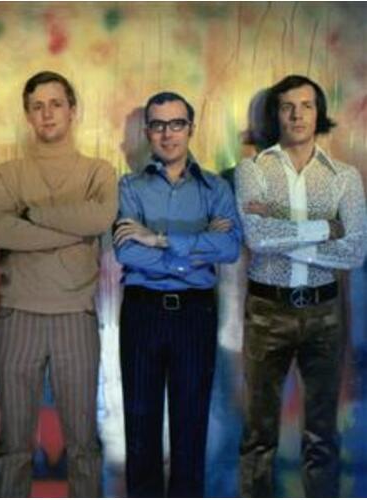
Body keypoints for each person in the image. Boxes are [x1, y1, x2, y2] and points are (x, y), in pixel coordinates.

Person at [0, 71, 117, 497]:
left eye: (56, 104)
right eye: (37, 106)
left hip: (75, 316)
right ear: (28, 115)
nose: (47, 113)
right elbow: (0, 232)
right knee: (14, 446)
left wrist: (33, 215)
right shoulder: (10, 173)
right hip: (18, 315)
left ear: (72, 110)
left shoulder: (98, 171)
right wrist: (72, 232)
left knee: (83, 444)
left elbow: (99, 219)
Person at [235, 74, 367, 497]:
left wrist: (285, 237)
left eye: (306, 105)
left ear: (318, 113)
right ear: (276, 114)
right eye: (287, 106)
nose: (297, 115)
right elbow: (256, 238)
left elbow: (355, 251)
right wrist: (327, 228)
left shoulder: (344, 177)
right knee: (258, 434)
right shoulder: (253, 170)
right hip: (266, 312)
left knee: (322, 434)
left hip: (324, 314)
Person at [113, 91, 242, 497]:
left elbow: (229, 247)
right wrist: (195, 251)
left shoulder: (215, 188)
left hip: (195, 315)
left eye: (176, 124)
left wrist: (159, 239)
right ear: (147, 131)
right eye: (158, 125)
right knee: (140, 429)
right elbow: (127, 252)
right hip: (142, 313)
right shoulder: (130, 187)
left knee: (190, 428)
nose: (167, 134)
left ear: (191, 129)